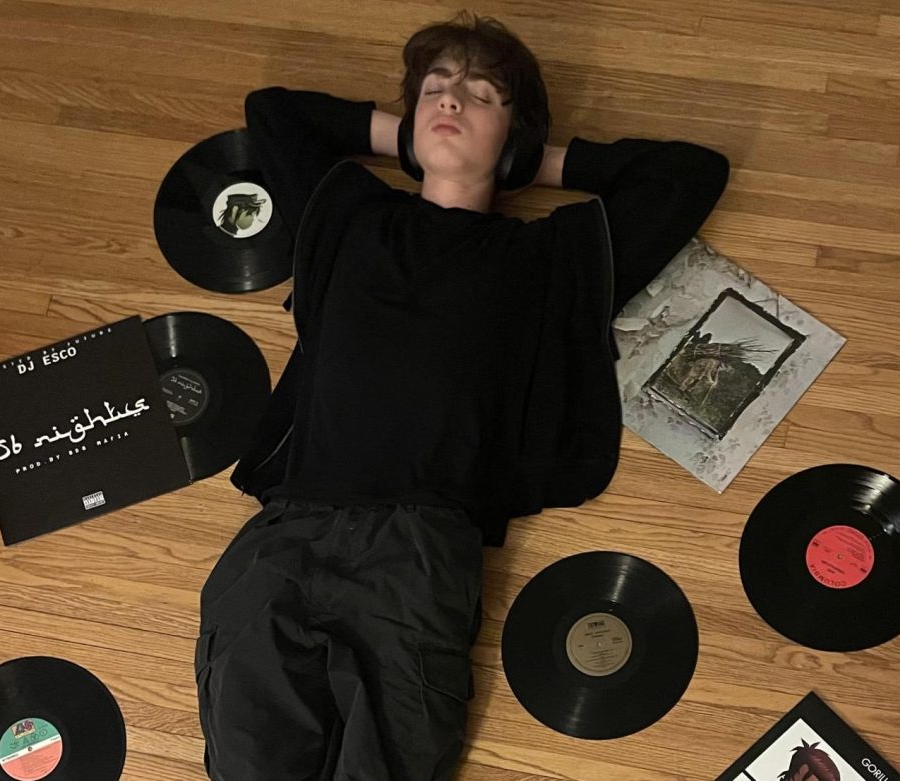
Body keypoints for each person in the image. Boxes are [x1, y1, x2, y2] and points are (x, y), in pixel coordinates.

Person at [195, 11, 729, 781]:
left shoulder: (550, 258)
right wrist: (409, 138)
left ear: (512, 135)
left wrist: (528, 162)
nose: (451, 100)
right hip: (288, 532)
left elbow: (689, 174)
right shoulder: (350, 217)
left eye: (482, 95)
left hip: (419, 553)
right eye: (437, 89)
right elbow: (274, 112)